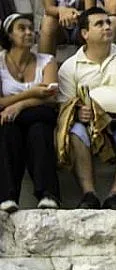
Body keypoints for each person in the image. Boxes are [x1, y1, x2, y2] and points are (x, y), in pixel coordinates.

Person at [58, 7, 116, 211]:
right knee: (73, 133)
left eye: (108, 22)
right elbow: (64, 106)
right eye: (99, 24)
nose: (107, 27)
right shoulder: (69, 66)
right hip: (88, 127)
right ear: (84, 34)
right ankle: (89, 194)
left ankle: (114, 196)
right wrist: (77, 113)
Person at [0, 13, 60, 212]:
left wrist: (20, 105)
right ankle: (7, 197)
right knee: (8, 131)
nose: (29, 32)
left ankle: (48, 195)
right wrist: (33, 93)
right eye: (22, 28)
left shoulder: (47, 61)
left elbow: (51, 97)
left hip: (38, 114)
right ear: (9, 35)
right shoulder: (0, 62)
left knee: (39, 130)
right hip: (11, 119)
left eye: (31, 28)